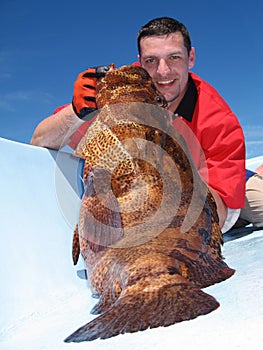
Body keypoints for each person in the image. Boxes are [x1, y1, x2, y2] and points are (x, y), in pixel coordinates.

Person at [30, 16, 263, 233]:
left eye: (174, 57)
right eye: (151, 61)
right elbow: (40, 140)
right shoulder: (117, 93)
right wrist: (77, 110)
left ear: (190, 58)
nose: (163, 72)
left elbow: (222, 210)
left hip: (221, 183)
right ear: (140, 62)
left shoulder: (219, 120)